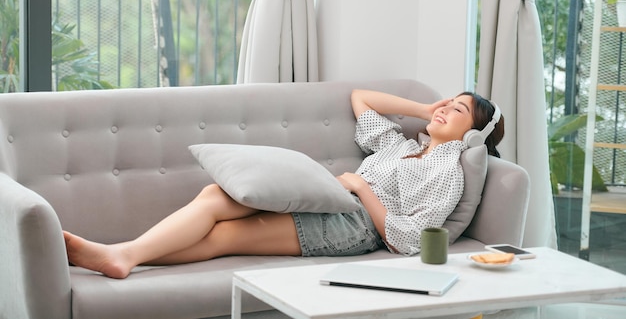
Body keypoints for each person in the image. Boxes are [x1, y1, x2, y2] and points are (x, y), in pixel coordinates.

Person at [63, 89, 504, 279]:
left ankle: (123, 257)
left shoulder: (448, 169)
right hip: (330, 197)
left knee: (228, 234)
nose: (446, 110)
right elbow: (360, 99)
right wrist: (425, 106)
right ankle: (123, 254)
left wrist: (362, 189)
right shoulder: (400, 144)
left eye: (458, 111)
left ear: (473, 135)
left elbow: (410, 239)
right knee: (217, 194)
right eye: (448, 102)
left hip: (355, 227)